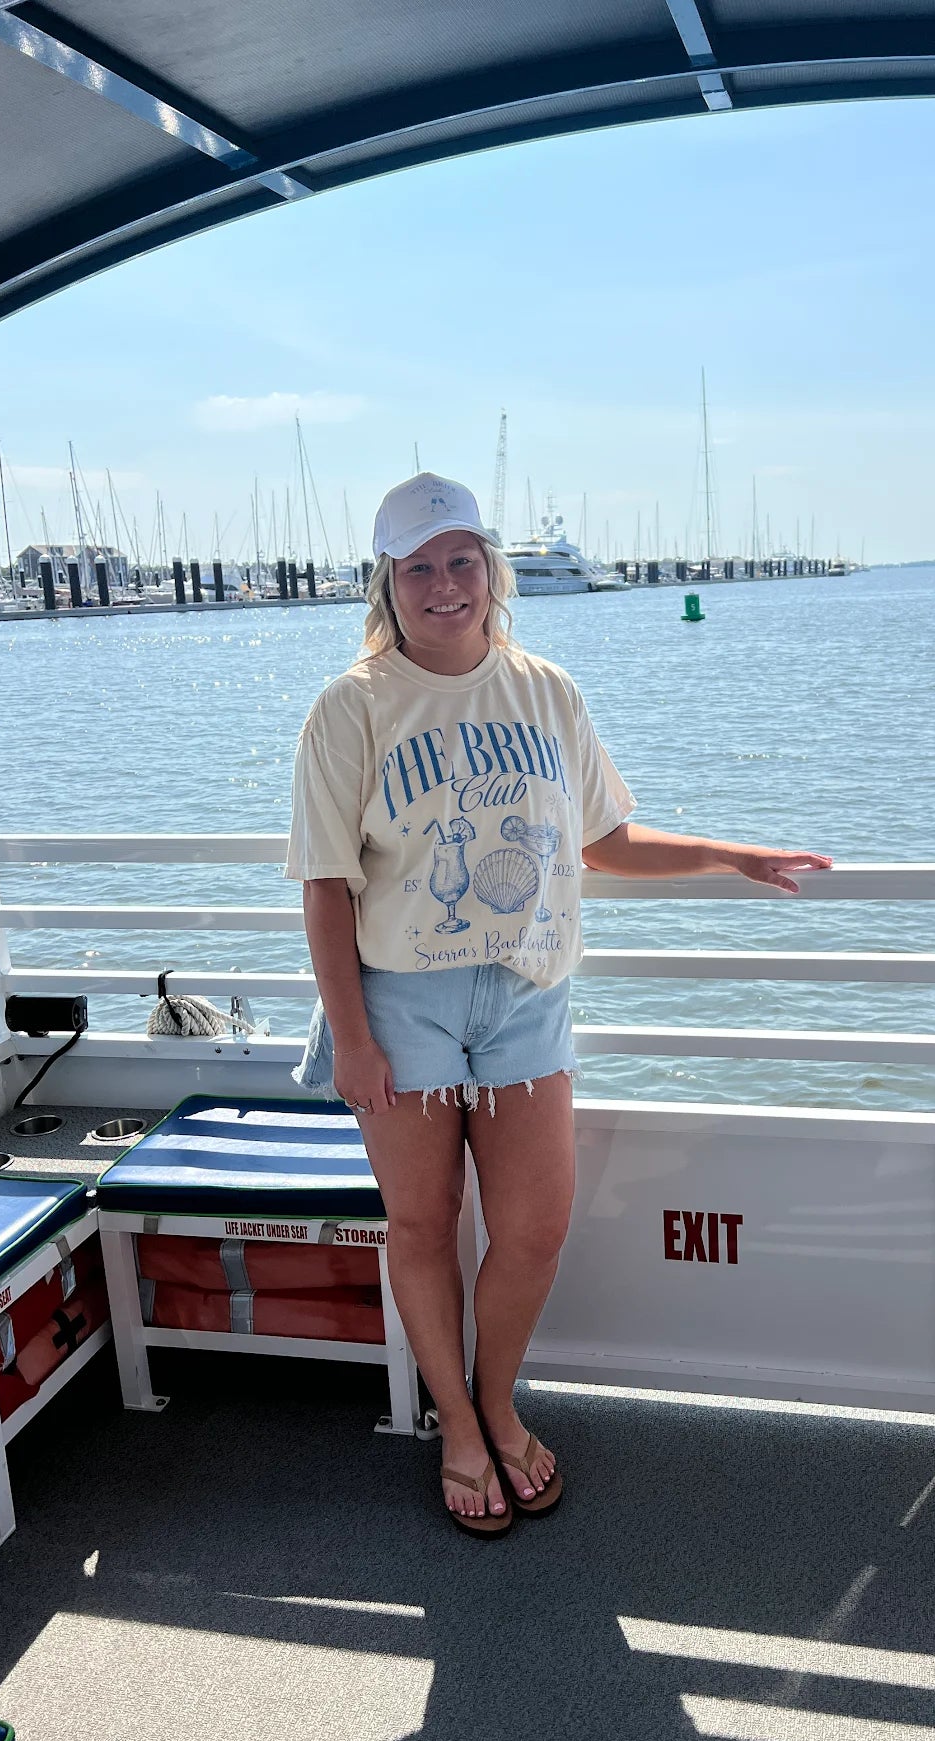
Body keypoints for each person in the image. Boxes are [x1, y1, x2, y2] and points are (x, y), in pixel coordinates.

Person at [286, 472, 832, 1537]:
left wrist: (732, 854)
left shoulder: (546, 689)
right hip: (402, 999)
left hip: (527, 988)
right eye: (419, 568)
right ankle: (456, 1424)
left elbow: (602, 839)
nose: (445, 585)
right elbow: (324, 884)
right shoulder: (350, 707)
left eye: (461, 560)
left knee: (534, 1230)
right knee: (423, 1221)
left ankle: (497, 1398)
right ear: (387, 585)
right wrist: (350, 1038)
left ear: (491, 569)